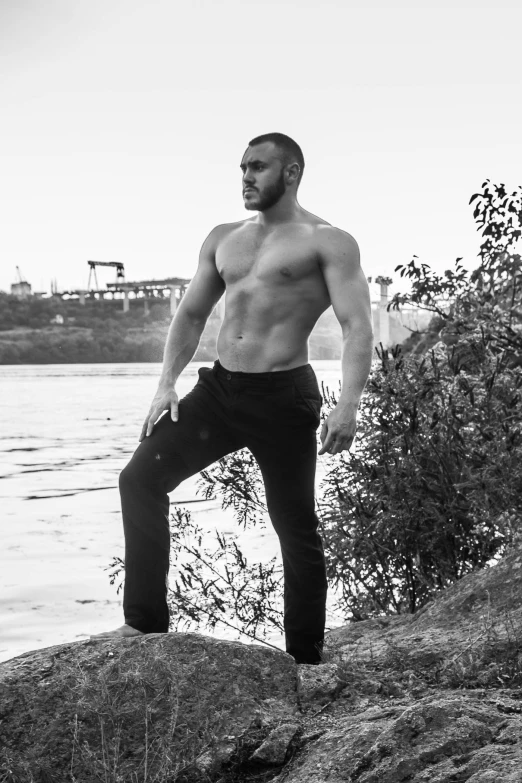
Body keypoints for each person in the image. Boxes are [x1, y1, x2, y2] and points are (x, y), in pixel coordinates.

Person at [92, 132, 374, 664]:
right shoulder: (224, 237)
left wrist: (349, 405)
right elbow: (193, 314)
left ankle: (306, 660)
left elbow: (357, 325)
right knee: (140, 478)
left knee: (294, 524)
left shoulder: (328, 241)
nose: (246, 176)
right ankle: (144, 623)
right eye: (243, 167)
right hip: (219, 390)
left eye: (259, 167)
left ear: (291, 174)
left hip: (283, 397)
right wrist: (165, 384)